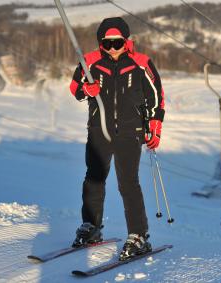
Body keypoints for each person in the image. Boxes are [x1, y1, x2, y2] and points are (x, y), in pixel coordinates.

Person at [68, 17, 165, 261]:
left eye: (117, 42)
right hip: (99, 128)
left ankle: (138, 235)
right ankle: (91, 227)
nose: (112, 48)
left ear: (126, 41)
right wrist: (85, 91)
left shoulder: (140, 63)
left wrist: (154, 125)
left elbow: (157, 96)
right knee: (94, 178)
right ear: (101, 43)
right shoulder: (89, 62)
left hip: (130, 132)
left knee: (127, 183)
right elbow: (74, 87)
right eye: (107, 43)